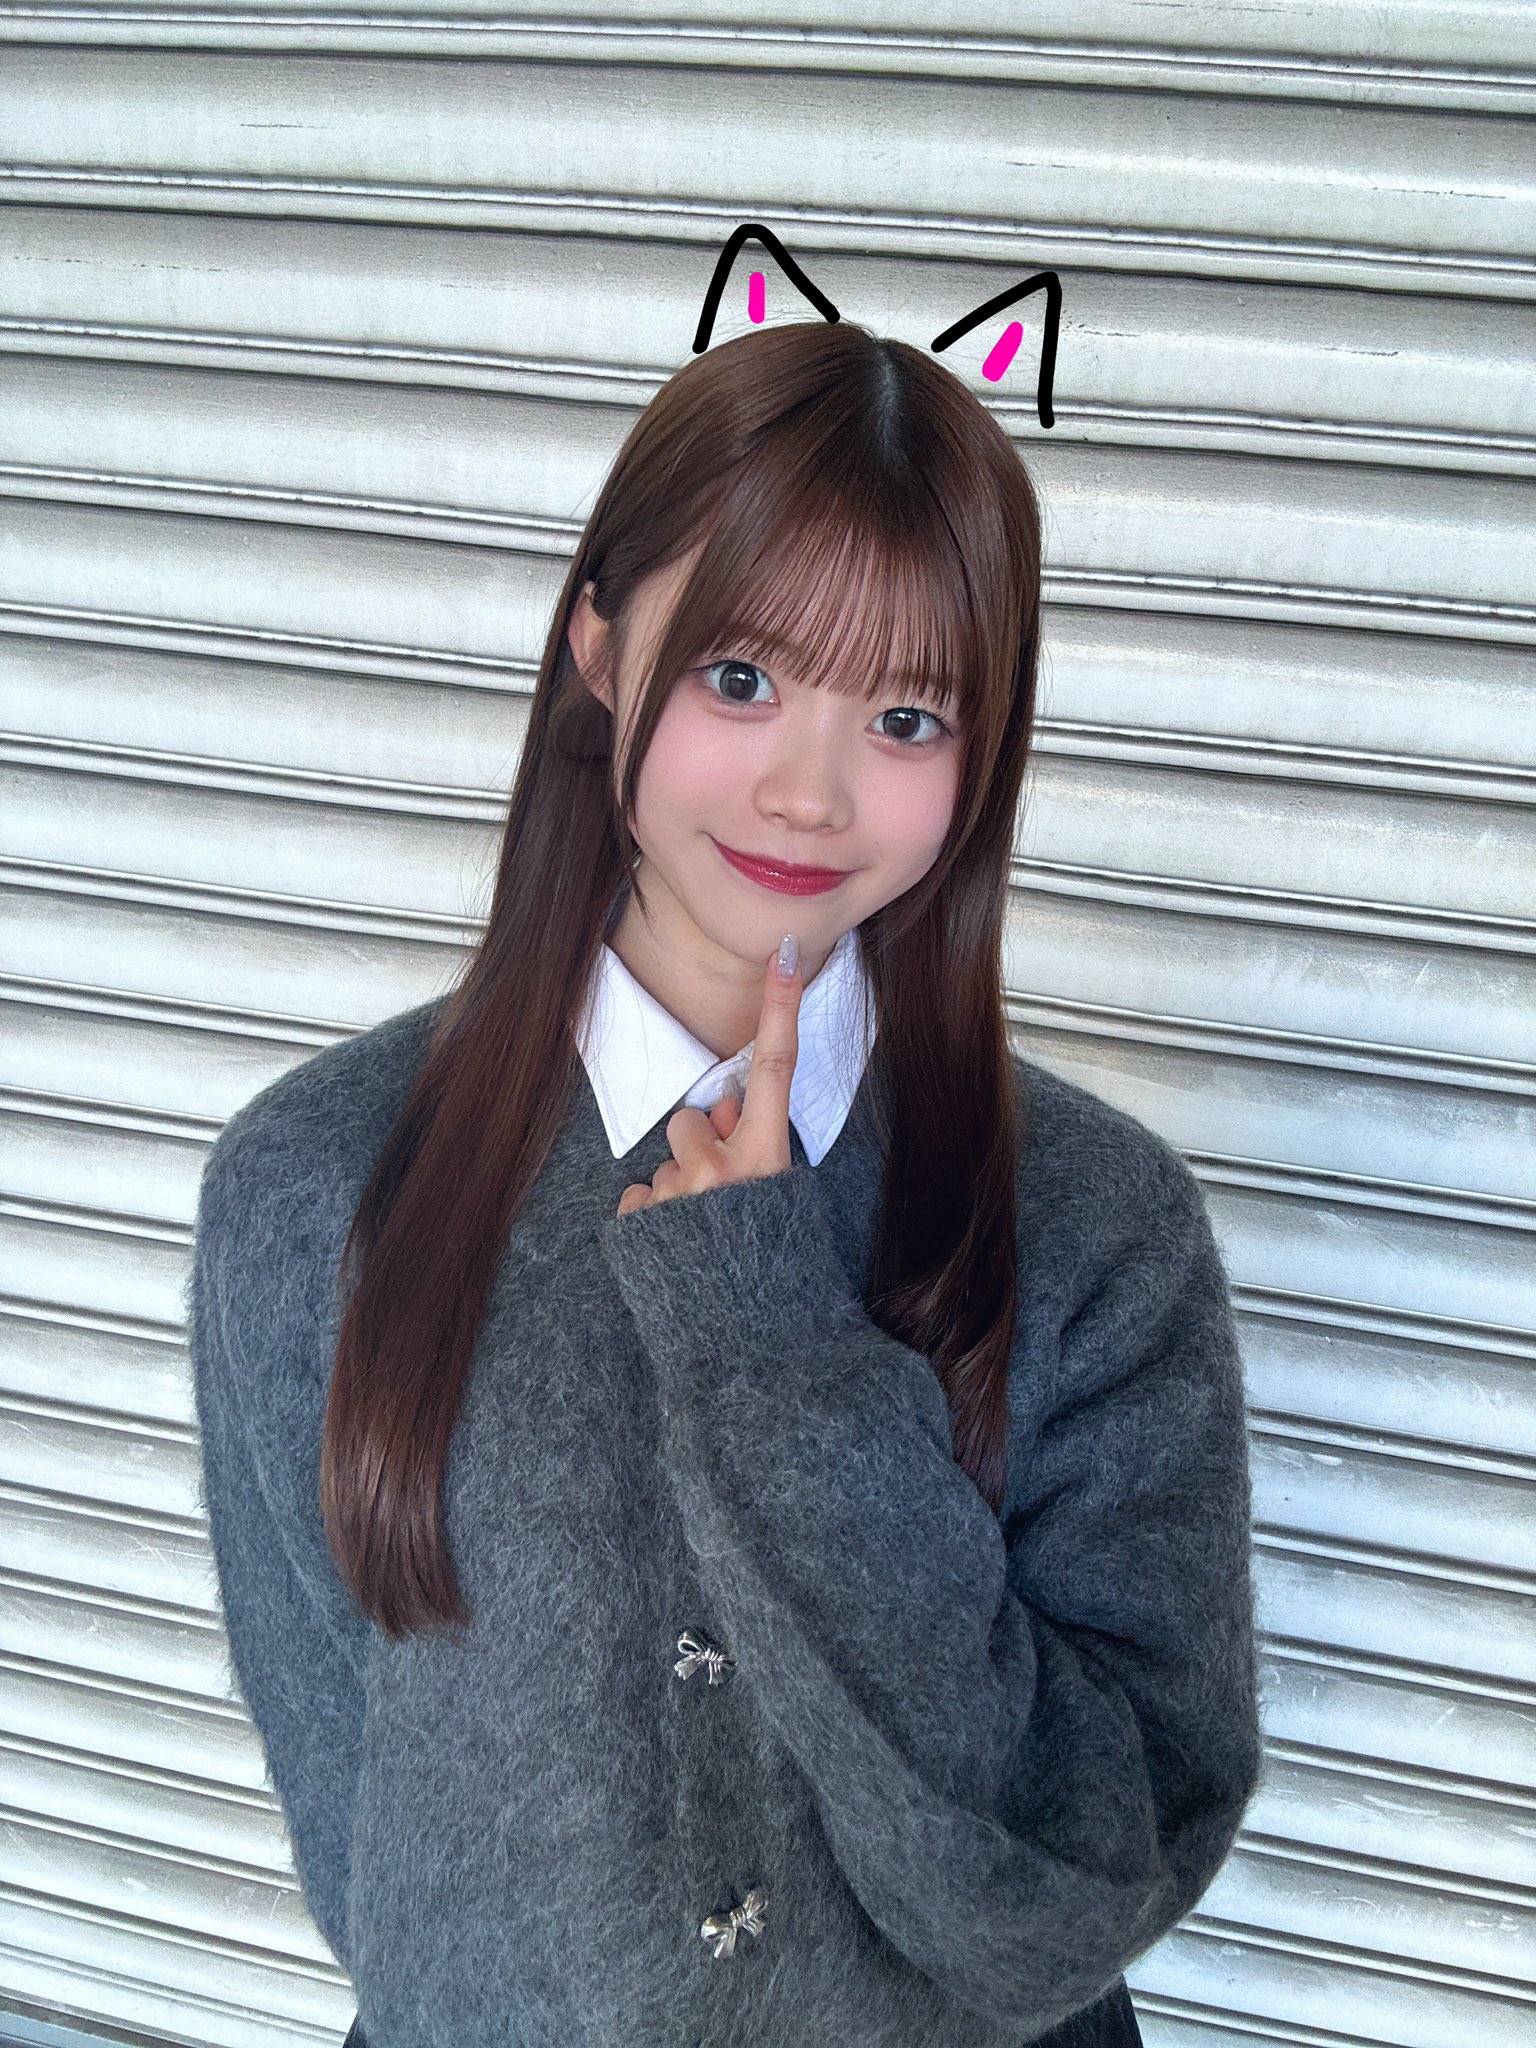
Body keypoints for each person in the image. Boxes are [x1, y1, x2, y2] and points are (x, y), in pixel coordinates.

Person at [188, 319, 1261, 2048]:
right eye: (742, 679)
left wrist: (769, 1336)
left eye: (904, 714)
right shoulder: (316, 1184)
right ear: (600, 651)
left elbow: (1069, 1891)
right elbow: (362, 1817)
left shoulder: (1097, 1228)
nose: (806, 794)